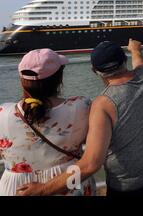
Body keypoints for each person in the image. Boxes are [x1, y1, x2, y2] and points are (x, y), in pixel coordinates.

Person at [17, 39, 143, 196]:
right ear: (124, 61)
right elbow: (139, 62)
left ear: (95, 71)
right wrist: (134, 49)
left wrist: (43, 189)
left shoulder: (103, 104)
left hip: (131, 187)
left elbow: (90, 164)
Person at [0, 49, 95, 196]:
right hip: (67, 183)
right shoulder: (81, 106)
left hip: (18, 188)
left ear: (22, 81)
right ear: (60, 79)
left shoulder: (3, 113)